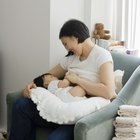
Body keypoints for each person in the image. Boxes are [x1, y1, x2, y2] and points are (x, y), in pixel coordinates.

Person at [9, 19, 117, 140]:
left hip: (80, 116)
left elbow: (109, 92)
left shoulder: (102, 55)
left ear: (75, 37)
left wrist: (78, 80)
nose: (66, 49)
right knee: (20, 105)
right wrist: (32, 83)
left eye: (65, 43)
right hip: (61, 108)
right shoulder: (71, 58)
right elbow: (48, 75)